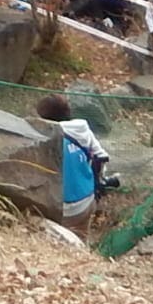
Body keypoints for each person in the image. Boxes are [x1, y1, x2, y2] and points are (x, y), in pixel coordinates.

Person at [33, 91, 114, 223]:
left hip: (59, 207)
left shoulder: (42, 136)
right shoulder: (82, 130)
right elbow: (102, 157)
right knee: (81, 236)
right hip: (86, 201)